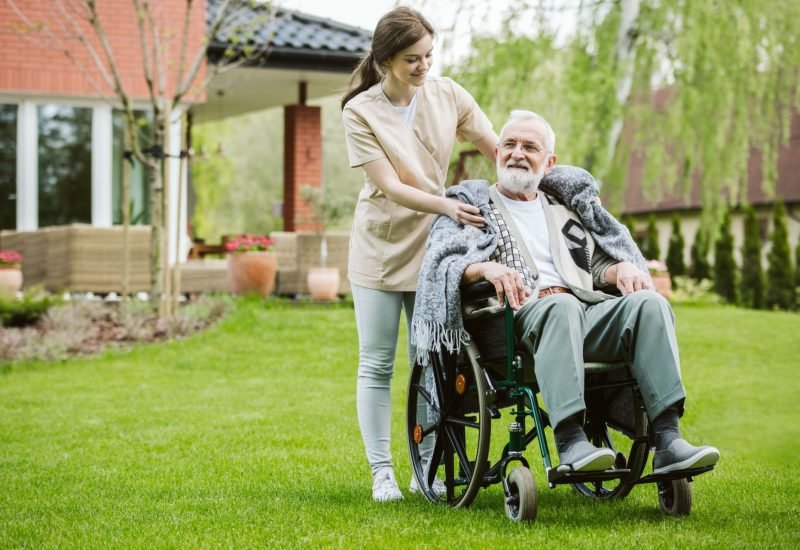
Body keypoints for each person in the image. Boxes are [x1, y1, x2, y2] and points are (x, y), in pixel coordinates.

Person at [415, 110, 720, 474]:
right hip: (513, 323)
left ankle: (668, 440)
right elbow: (441, 262)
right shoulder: (472, 207)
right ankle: (571, 442)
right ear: (496, 153)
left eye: (530, 146)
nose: (517, 153)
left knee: (648, 305)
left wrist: (617, 268)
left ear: (550, 162)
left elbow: (588, 269)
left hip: (580, 312)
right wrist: (483, 267)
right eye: (509, 144)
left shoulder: (564, 210)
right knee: (560, 305)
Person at [341, 7, 498, 501]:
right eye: (413, 58)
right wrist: (449, 206)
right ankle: (382, 472)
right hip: (381, 248)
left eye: (430, 55)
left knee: (432, 358)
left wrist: (538, 179)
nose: (424, 66)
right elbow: (389, 186)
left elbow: (497, 146)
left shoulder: (448, 93)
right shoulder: (359, 111)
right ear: (385, 60)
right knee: (377, 363)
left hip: (435, 247)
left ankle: (425, 464)